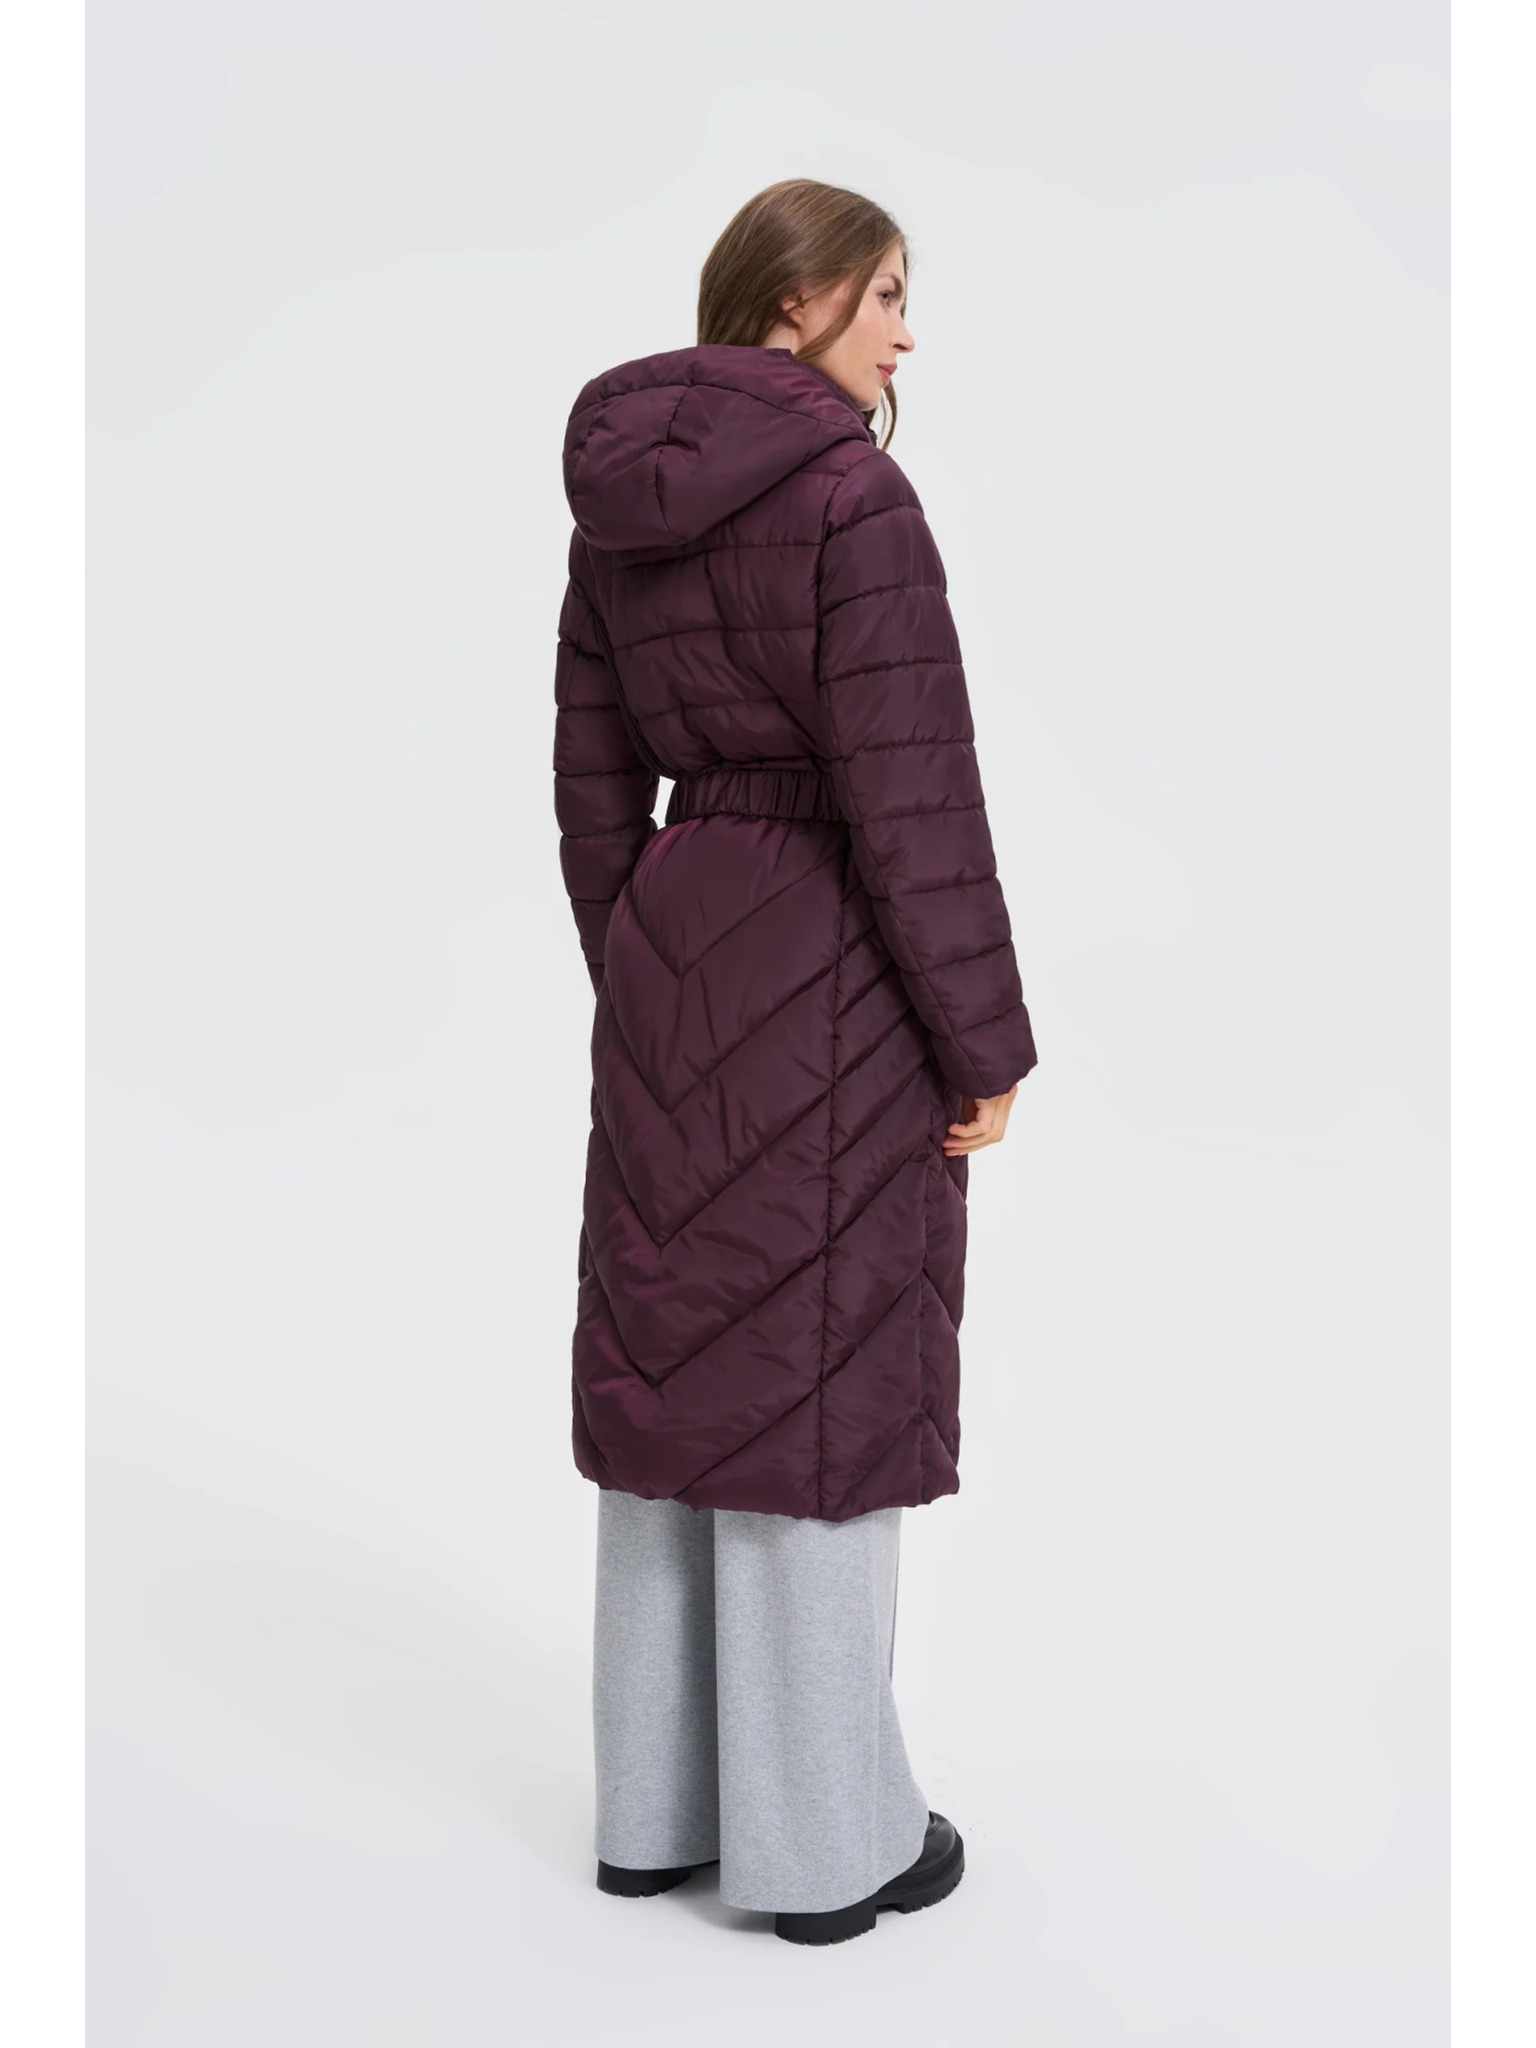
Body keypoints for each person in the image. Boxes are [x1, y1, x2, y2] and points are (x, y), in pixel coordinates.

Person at [551, 177, 1038, 1946]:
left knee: (677, 1375)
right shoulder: (852, 496)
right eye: (886, 293)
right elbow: (916, 803)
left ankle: (656, 1814)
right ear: (798, 299)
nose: (908, 331)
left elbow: (590, 783)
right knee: (813, 1389)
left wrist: (645, 965)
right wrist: (984, 1042)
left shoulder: (615, 507)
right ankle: (829, 1845)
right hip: (833, 955)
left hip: (676, 946)